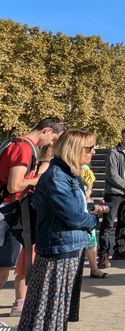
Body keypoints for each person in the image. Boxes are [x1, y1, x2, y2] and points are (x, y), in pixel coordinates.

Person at [10, 130, 109, 331]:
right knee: (40, 322)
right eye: (89, 148)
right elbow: (74, 216)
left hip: (65, 252)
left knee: (50, 318)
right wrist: (95, 215)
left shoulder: (64, 174)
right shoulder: (56, 177)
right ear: (74, 149)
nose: (92, 153)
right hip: (56, 254)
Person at [0, 117, 65, 317]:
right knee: (3, 266)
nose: (52, 143)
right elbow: (15, 185)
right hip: (7, 211)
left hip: (8, 210)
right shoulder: (24, 148)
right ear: (46, 130)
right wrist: (43, 178)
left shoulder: (16, 143)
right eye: (53, 138)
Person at [97, 126, 125, 267]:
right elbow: (112, 174)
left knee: (124, 223)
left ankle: (119, 250)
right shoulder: (114, 153)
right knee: (108, 224)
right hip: (114, 194)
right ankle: (103, 254)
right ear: (123, 136)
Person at [79, 162, 106, 279]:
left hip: (85, 204)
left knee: (91, 238)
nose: (93, 152)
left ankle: (94, 268)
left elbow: (90, 185)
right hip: (78, 205)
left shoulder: (84, 168)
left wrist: (88, 192)